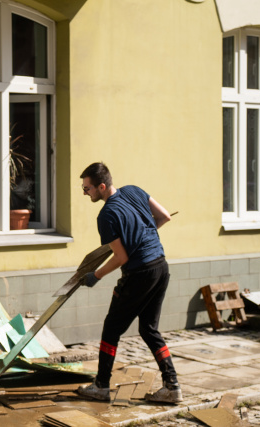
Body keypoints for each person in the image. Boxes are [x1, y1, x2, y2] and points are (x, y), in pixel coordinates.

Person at [77, 162, 182, 404]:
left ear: (101, 187)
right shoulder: (134, 190)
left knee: (111, 328)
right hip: (160, 267)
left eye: (87, 189)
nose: (85, 193)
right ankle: (172, 386)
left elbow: (121, 257)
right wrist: (143, 236)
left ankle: (101, 386)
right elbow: (164, 216)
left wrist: (97, 276)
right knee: (148, 328)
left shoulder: (106, 215)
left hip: (140, 274)